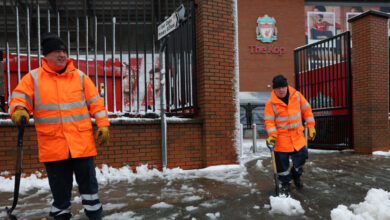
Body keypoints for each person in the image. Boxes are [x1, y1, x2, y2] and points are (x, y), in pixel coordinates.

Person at [9, 32, 110, 220]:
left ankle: (95, 214)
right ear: (45, 56)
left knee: (89, 188)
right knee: (60, 190)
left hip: (81, 144)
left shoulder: (79, 77)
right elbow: (19, 98)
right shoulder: (34, 78)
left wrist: (103, 125)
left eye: (64, 51)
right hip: (54, 146)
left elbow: (97, 103)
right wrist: (19, 110)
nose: (62, 55)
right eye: (56, 51)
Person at [263, 75, 316, 196]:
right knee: (282, 165)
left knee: (301, 159)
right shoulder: (270, 104)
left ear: (287, 86)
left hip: (297, 137)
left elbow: (307, 110)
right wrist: (272, 135)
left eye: (283, 87)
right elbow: (269, 121)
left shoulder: (297, 96)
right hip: (281, 139)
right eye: (278, 88)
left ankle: (296, 176)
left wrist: (311, 125)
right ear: (274, 90)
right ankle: (285, 183)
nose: (281, 90)